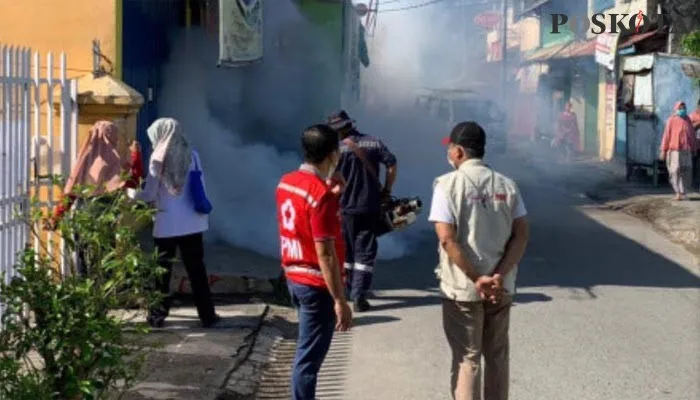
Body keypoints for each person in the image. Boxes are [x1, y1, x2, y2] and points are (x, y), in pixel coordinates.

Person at [429, 121, 529, 400]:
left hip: (463, 289)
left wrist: (476, 278)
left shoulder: (446, 186)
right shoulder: (508, 186)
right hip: (501, 287)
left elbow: (447, 239)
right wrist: (498, 275)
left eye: (450, 148)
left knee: (467, 357)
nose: (448, 153)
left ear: (459, 151)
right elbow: (521, 235)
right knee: (497, 355)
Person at [276, 124, 352, 400]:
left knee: (305, 353)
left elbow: (303, 219)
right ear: (333, 154)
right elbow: (326, 254)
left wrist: (333, 195)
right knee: (308, 361)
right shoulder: (319, 194)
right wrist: (340, 300)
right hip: (315, 283)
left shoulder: (286, 182)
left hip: (293, 276)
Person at [129, 118, 219, 328]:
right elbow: (200, 185)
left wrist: (131, 194)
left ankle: (158, 315)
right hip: (194, 222)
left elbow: (150, 194)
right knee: (197, 271)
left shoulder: (157, 160)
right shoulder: (192, 154)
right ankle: (207, 315)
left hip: (167, 224)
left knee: (162, 271)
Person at [47, 120, 144, 275]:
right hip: (105, 215)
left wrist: (56, 217)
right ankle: (104, 294)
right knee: (106, 258)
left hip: (83, 214)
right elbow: (133, 181)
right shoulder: (116, 161)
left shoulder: (84, 159)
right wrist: (136, 155)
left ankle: (84, 292)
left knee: (82, 257)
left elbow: (71, 192)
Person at [327, 110, 398, 312]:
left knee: (347, 251)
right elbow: (392, 165)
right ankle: (358, 295)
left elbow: (328, 178)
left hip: (344, 208)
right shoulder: (373, 142)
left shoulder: (334, 150)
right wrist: (387, 189)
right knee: (365, 252)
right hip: (369, 206)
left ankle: (351, 291)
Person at [660, 102, 697, 201]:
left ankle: (683, 192)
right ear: (676, 109)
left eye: (684, 107)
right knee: (674, 171)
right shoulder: (671, 120)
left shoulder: (688, 120)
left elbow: (692, 136)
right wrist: (663, 150)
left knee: (686, 171)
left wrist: (694, 149)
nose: (682, 109)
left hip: (686, 150)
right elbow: (666, 136)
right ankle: (677, 192)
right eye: (680, 108)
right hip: (674, 150)